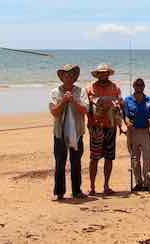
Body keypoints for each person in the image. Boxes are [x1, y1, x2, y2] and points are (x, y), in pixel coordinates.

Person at [49, 64, 89, 200]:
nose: (68, 77)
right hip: (59, 132)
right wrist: (64, 100)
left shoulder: (81, 91)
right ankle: (59, 192)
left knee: (76, 162)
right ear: (62, 77)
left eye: (71, 75)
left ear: (74, 77)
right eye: (66, 75)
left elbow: (85, 110)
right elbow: (54, 112)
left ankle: (76, 191)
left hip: (77, 132)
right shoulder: (55, 92)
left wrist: (73, 100)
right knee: (60, 162)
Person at [87, 63, 124, 195]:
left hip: (111, 126)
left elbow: (120, 104)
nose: (103, 74)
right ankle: (92, 187)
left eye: (105, 72)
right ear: (97, 74)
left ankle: (106, 186)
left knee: (109, 157)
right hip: (96, 127)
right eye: (101, 72)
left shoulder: (115, 87)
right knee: (94, 158)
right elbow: (87, 107)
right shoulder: (91, 87)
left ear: (108, 73)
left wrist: (119, 104)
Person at [123, 78, 150, 191]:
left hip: (145, 131)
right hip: (132, 132)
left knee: (148, 158)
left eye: (141, 85)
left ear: (144, 86)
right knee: (134, 159)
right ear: (133, 86)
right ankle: (138, 182)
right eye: (137, 85)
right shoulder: (127, 100)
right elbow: (125, 115)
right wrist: (127, 121)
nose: (139, 87)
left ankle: (147, 181)